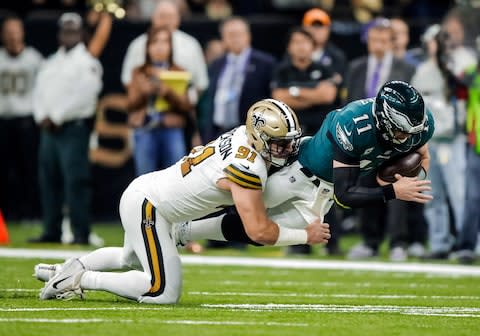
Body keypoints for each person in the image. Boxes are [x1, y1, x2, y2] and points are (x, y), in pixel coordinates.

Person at [37, 99, 331, 304]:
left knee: (128, 258)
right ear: (259, 137)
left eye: (291, 141)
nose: (288, 149)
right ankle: (81, 279)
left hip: (151, 196)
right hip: (149, 204)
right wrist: (304, 235)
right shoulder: (248, 165)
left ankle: (62, 270)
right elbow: (257, 231)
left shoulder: (245, 136)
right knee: (162, 291)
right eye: (280, 143)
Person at [171, 81, 436, 250]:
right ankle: (175, 211)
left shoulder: (418, 128)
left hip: (323, 194)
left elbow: (421, 155)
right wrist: (393, 191)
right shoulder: (353, 124)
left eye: (413, 131)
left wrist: (410, 175)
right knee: (244, 206)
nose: (408, 138)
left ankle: (184, 232)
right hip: (299, 171)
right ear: (382, 120)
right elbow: (345, 197)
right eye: (401, 132)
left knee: (261, 234)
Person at [28, 13, 103, 244]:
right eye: (64, 30)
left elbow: (85, 96)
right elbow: (38, 92)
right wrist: (41, 116)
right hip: (48, 129)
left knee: (75, 181)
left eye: (73, 30)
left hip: (73, 129)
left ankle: (81, 232)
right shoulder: (49, 62)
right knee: (48, 180)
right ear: (59, 33)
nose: (68, 34)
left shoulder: (89, 62)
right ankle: (52, 230)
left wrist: (58, 116)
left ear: (81, 33)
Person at [127, 26, 195, 175]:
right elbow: (130, 104)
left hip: (171, 127)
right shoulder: (138, 72)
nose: (160, 47)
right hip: (144, 127)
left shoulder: (179, 71)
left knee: (177, 176)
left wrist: (168, 92)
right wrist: (144, 93)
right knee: (144, 178)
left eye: (165, 42)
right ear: (147, 47)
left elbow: (187, 105)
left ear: (171, 47)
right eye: (155, 42)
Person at [0, 16, 43, 221]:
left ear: (23, 33)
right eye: (8, 31)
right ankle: (7, 213)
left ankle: (30, 212)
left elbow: (44, 88)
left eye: (15, 31)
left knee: (28, 169)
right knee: (5, 170)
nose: (12, 36)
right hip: (3, 120)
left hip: (26, 120)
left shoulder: (34, 58)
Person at [121, 0, 208, 93]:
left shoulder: (191, 44)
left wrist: (184, 101)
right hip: (144, 101)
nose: (166, 21)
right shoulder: (138, 44)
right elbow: (127, 80)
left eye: (170, 17)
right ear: (153, 18)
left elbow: (201, 83)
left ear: (178, 18)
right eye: (162, 16)